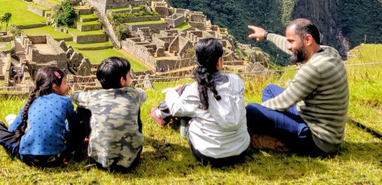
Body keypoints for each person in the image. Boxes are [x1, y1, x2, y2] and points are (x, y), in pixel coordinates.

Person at [245, 19, 349, 156]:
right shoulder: (329, 52)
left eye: (291, 41)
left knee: (251, 110)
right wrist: (266, 34)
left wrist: (248, 114)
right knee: (269, 90)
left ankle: (280, 142)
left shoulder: (313, 69)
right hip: (314, 119)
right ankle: (278, 128)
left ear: (307, 40)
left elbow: (282, 102)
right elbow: (291, 47)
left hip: (318, 140)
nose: (288, 46)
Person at [150, 38, 250, 166]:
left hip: (209, 155)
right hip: (241, 150)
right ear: (219, 62)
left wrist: (172, 92)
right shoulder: (236, 81)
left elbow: (175, 108)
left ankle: (160, 114)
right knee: (192, 100)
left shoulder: (196, 90)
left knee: (186, 100)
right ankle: (162, 114)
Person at [0, 66, 76, 167]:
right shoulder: (65, 101)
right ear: (55, 87)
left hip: (30, 158)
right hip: (57, 157)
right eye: (65, 83)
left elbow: (12, 129)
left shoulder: (31, 102)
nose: (67, 85)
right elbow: (75, 127)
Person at [70, 56, 146, 172]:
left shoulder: (93, 97)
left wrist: (88, 94)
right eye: (129, 75)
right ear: (122, 80)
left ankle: (84, 140)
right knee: (135, 108)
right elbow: (143, 94)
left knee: (83, 107)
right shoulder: (135, 94)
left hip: (100, 160)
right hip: (131, 160)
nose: (131, 78)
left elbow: (74, 96)